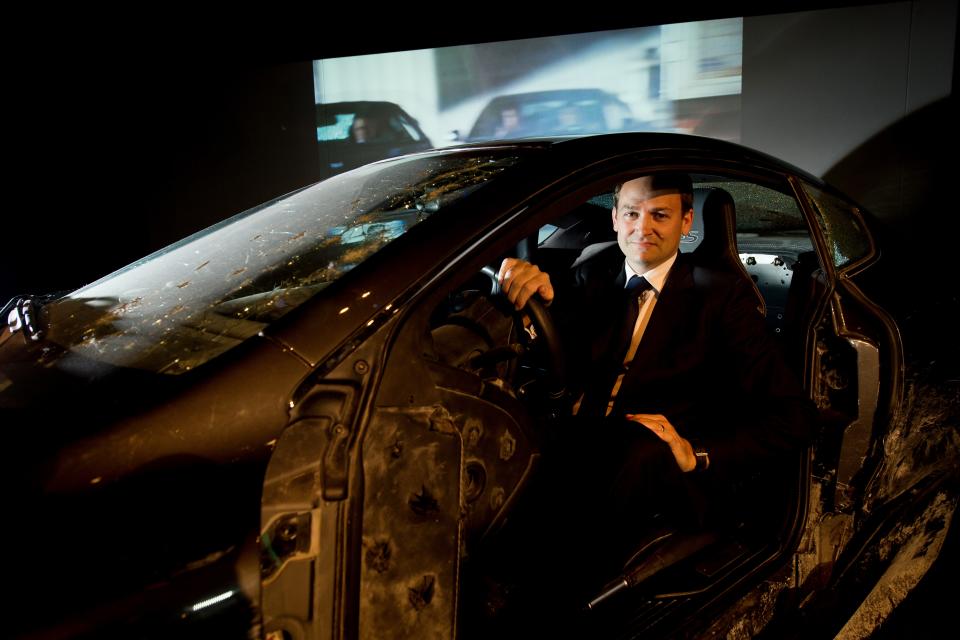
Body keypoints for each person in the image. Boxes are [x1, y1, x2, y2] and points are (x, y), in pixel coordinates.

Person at [494, 173, 816, 587]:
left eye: (660, 215)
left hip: (652, 467)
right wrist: (530, 295)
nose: (642, 229)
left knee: (614, 471)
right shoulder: (591, 271)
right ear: (614, 218)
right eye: (631, 213)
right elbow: (556, 350)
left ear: (685, 222)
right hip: (577, 442)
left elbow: (796, 417)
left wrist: (694, 452)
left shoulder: (722, 297)